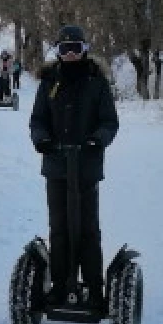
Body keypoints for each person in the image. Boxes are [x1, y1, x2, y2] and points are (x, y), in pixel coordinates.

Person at [28, 25, 119, 307]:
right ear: (57, 51)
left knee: (87, 228)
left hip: (86, 166)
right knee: (59, 227)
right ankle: (58, 286)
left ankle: (93, 288)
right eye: (64, 49)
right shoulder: (49, 81)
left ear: (84, 50)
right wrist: (42, 139)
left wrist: (97, 140)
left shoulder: (97, 82)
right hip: (56, 166)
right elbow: (38, 119)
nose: (69, 54)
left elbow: (109, 122)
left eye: (75, 48)